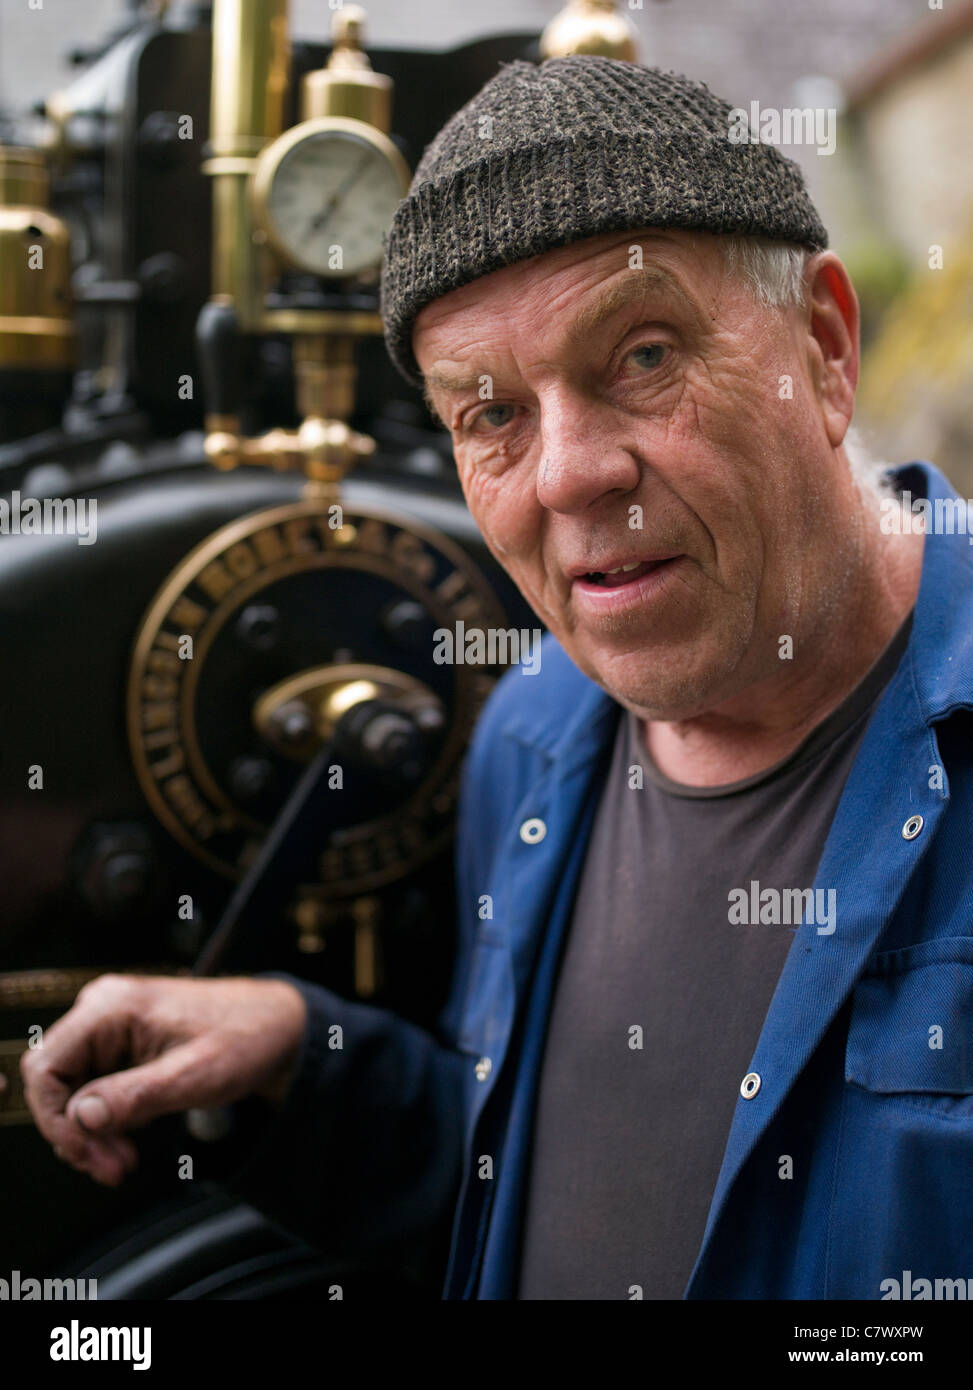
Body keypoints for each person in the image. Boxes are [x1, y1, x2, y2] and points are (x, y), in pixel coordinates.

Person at [21, 56, 973, 1301]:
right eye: (489, 414)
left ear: (825, 345)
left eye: (641, 356)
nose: (569, 475)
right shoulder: (526, 730)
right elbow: (554, 1197)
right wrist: (306, 1059)